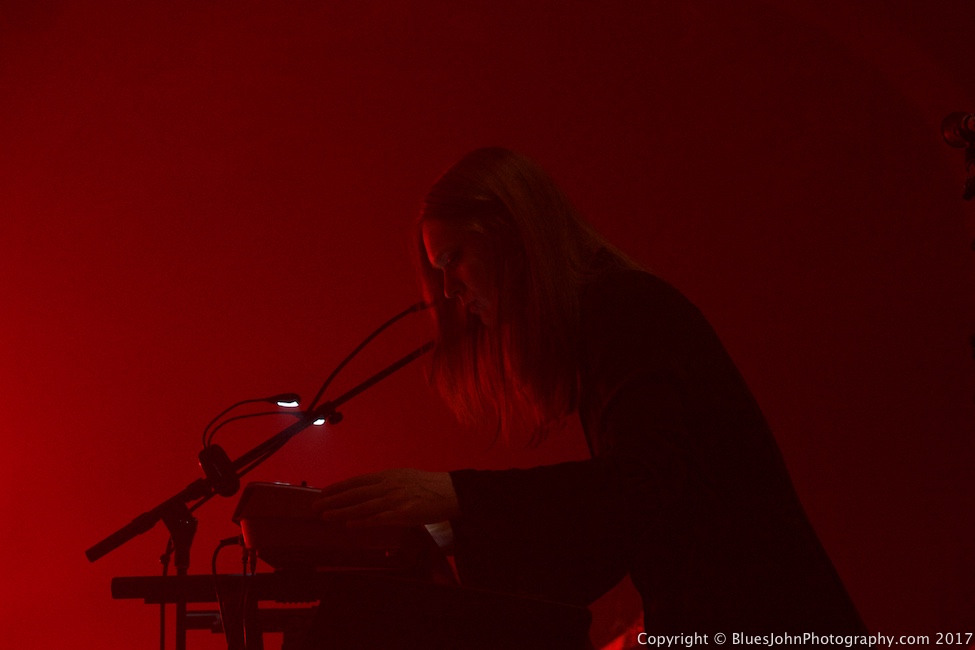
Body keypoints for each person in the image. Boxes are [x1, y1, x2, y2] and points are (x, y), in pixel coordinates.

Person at [312, 147, 868, 636]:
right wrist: (447, 535)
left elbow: (646, 481)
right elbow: (629, 518)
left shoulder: (622, 307)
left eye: (453, 259)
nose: (450, 290)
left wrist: (456, 497)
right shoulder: (609, 315)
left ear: (510, 231)